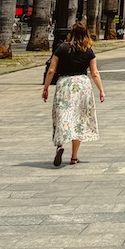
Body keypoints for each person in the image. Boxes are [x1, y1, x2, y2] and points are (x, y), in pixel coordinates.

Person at [42, 21, 104, 166]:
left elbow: (51, 70)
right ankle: (74, 157)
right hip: (82, 85)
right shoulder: (88, 50)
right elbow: (94, 73)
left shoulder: (62, 48)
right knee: (79, 120)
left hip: (65, 84)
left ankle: (60, 145)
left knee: (63, 115)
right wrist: (101, 90)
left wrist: (45, 88)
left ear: (71, 33)